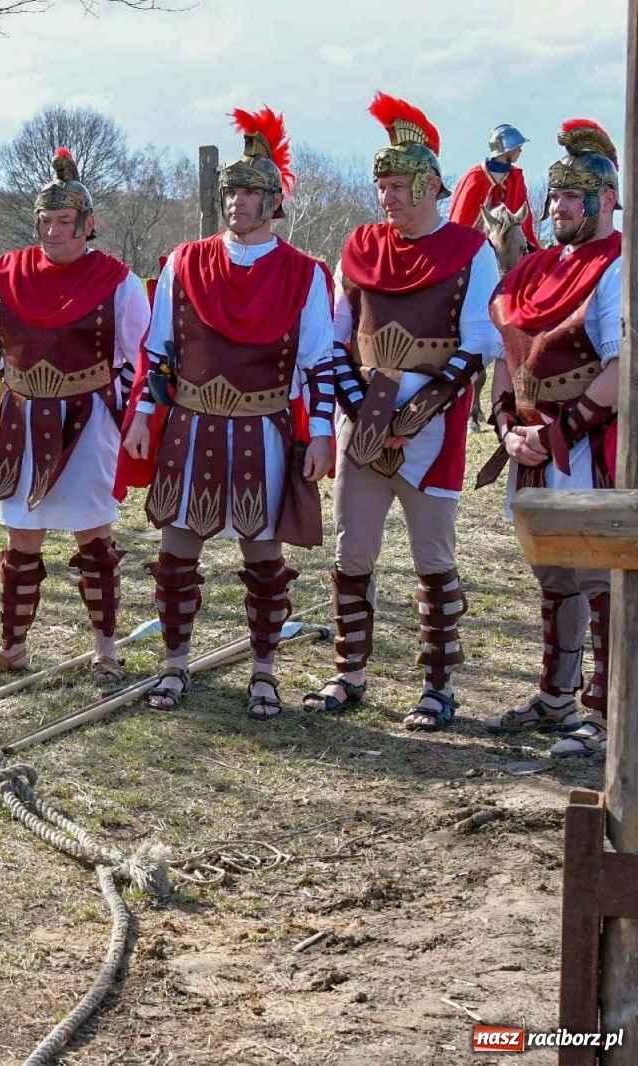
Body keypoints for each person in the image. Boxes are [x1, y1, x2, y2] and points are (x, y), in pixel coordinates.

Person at [121, 108, 336, 718]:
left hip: (263, 428)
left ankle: (265, 670)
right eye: (231, 192)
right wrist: (141, 415)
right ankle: (174, 663)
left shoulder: (305, 274)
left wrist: (320, 435)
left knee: (264, 558)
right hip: (190, 425)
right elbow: (158, 352)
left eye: (249, 193)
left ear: (273, 203)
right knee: (176, 553)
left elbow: (319, 362)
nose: (236, 202)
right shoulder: (184, 263)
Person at [304, 94, 502, 730]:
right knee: (351, 551)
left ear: (429, 185)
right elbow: (336, 338)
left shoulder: (471, 249)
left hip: (434, 428)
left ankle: (438, 686)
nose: (385, 197)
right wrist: (362, 411)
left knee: (434, 557)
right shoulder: (359, 247)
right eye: (380, 186)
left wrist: (413, 414)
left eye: (396, 186)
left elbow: (479, 341)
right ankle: (349, 672)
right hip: (361, 422)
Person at [0, 148, 150, 685]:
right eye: (45, 222)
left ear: (87, 224)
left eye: (64, 222)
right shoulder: (6, 273)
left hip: (88, 423)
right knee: (21, 539)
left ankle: (105, 650)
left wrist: (97, 401)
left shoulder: (118, 281)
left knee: (93, 538)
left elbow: (136, 357)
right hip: (21, 423)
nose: (52, 233)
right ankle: (13, 647)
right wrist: (31, 392)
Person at [475, 120, 623, 759]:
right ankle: (557, 696)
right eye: (555, 196)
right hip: (532, 446)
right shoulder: (532, 269)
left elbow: (621, 365)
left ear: (605, 200)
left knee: (601, 577)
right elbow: (509, 355)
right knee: (553, 573)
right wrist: (509, 427)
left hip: (591, 442)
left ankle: (606, 710)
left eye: (573, 195)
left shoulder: (620, 263)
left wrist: (562, 429)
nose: (558, 206)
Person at [449, 124, 541, 251]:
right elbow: (461, 220)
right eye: (518, 147)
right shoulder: (474, 177)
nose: (520, 151)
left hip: (510, 244)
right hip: (474, 248)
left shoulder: (516, 177)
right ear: (508, 149)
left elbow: (523, 222)